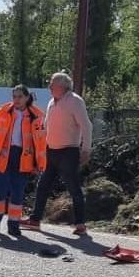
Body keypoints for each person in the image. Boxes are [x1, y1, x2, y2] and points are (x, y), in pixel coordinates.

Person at [23, 72, 92, 236]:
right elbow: (47, 126)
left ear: (62, 86)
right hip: (51, 151)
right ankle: (35, 219)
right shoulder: (51, 102)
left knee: (74, 188)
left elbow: (87, 126)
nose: (49, 86)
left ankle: (80, 224)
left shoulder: (75, 101)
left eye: (52, 84)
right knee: (43, 185)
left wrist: (86, 149)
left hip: (69, 151)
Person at [0, 85, 47, 237]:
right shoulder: (3, 112)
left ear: (26, 97)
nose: (16, 100)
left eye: (20, 96)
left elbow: (41, 142)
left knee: (17, 194)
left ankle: (13, 224)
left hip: (23, 158)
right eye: (14, 96)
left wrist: (40, 164)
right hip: (3, 157)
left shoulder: (36, 116)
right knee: (0, 192)